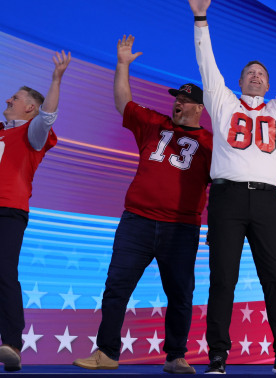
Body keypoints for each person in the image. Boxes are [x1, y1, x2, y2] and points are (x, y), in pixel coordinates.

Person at [189, 0, 276, 374]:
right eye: (249, 72)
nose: (255, 75)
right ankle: (217, 354)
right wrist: (201, 20)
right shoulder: (220, 103)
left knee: (275, 279)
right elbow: (207, 66)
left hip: (267, 200)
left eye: (260, 73)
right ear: (238, 81)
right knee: (223, 279)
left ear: (268, 83)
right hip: (227, 197)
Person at [72, 35, 212, 374]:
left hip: (182, 228)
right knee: (116, 287)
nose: (177, 102)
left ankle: (176, 355)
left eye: (184, 99)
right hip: (137, 221)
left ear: (198, 108)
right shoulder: (153, 124)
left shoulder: (211, 143)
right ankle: (106, 353)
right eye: (176, 98)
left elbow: (223, 185)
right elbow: (124, 103)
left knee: (180, 294)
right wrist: (122, 65)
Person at [0, 50, 70, 373]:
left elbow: (48, 116)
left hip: (8, 211)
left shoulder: (32, 133)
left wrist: (56, 79)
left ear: (29, 106)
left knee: (3, 273)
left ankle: (12, 344)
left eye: (14, 97)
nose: (8, 99)